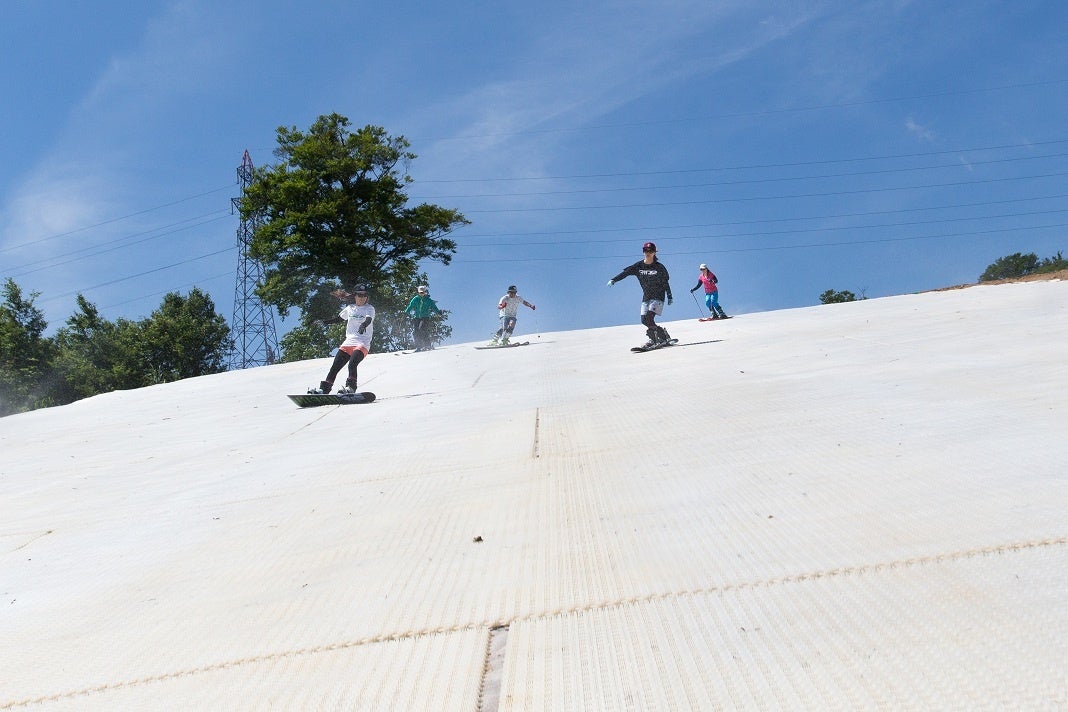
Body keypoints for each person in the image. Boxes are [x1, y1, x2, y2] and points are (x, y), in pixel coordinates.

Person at [309, 284, 375, 394]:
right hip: (348, 342)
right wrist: (322, 322)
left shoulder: (369, 308)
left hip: (362, 343)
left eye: (364, 295)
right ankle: (324, 389)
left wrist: (364, 325)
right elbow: (337, 319)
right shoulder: (350, 308)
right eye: (359, 295)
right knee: (335, 367)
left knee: (352, 364)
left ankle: (350, 388)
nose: (362, 298)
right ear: (355, 296)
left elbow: (368, 319)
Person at [607, 241, 674, 347]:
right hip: (647, 297)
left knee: (649, 317)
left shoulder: (659, 267)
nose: (648, 253)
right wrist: (614, 280)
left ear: (654, 253)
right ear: (643, 251)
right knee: (644, 320)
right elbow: (625, 273)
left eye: (650, 251)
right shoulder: (638, 266)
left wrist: (669, 296)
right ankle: (663, 336)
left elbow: (665, 282)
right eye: (646, 250)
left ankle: (654, 340)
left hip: (658, 296)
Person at [404, 285, 441, 351]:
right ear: (418, 292)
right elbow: (410, 306)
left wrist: (438, 312)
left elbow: (433, 306)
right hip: (417, 317)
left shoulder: (428, 300)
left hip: (425, 317)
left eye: (423, 292)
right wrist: (406, 312)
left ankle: (427, 345)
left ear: (425, 292)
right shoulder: (415, 299)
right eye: (420, 292)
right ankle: (419, 346)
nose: (422, 294)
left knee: (422, 329)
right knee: (415, 332)